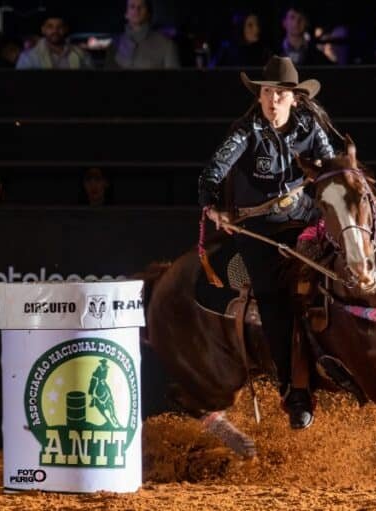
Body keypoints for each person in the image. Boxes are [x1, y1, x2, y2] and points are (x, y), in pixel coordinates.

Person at [198, 56, 339, 429]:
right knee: (273, 299)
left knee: (346, 268)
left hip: (307, 218)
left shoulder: (309, 127)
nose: (272, 100)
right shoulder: (246, 131)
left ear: (294, 98)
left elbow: (331, 168)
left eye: (280, 94)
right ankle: (293, 391)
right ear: (259, 96)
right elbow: (213, 172)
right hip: (259, 228)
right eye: (266, 93)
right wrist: (214, 208)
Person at [104, 0, 180, 69]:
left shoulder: (166, 45)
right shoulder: (114, 45)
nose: (136, 10)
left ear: (148, 13)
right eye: (132, 6)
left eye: (141, 6)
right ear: (126, 13)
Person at [15, 12, 93, 70]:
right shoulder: (28, 57)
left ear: (65, 29)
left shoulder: (81, 54)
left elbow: (91, 80)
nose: (55, 31)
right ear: (43, 30)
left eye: (60, 27)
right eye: (50, 27)